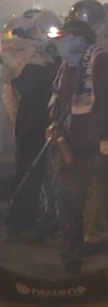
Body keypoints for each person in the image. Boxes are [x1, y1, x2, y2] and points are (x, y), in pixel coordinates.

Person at [48, 19, 108, 276]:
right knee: (69, 208)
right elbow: (60, 103)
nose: (62, 44)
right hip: (71, 150)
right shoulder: (67, 66)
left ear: (81, 39)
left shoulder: (101, 62)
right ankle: (70, 261)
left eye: (66, 38)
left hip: (100, 150)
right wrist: (56, 130)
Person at [2, 13, 60, 243]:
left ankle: (25, 220)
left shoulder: (19, 63)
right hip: (34, 126)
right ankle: (20, 224)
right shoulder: (31, 65)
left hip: (28, 126)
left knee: (29, 173)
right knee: (30, 175)